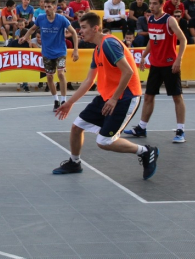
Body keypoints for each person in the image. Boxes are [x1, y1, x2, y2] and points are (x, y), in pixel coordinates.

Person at [52, 12, 159, 180]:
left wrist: (114, 98)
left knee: (104, 142)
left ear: (95, 28)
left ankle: (146, 151)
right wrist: (70, 102)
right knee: (76, 126)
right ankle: (74, 162)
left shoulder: (109, 44)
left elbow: (128, 72)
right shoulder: (98, 49)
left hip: (126, 97)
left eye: (84, 28)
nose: (80, 31)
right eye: (80, 28)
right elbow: (88, 80)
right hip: (107, 96)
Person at [124, 0, 187, 143]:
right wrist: (144, 56)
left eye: (155, 4)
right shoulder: (151, 19)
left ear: (162, 4)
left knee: (176, 96)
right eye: (150, 3)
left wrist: (178, 60)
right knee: (148, 96)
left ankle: (180, 131)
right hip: (155, 64)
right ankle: (141, 127)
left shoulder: (169, 20)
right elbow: (152, 40)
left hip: (170, 64)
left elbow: (183, 40)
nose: (151, 6)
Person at [19, 0, 79, 111]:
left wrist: (76, 50)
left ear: (55, 7)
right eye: (45, 7)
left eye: (49, 7)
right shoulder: (41, 18)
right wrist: (24, 37)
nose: (46, 9)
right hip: (47, 52)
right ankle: (56, 100)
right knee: (49, 76)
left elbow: (74, 33)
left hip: (60, 51)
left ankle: (63, 100)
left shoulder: (61, 19)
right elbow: (32, 29)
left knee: (61, 73)